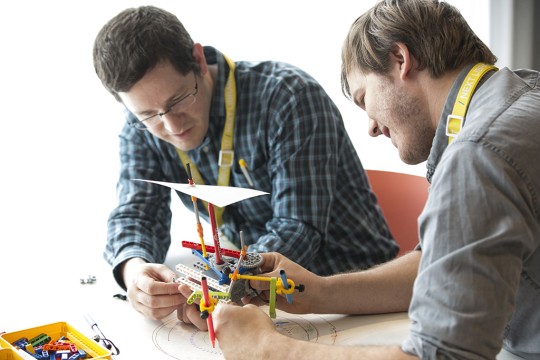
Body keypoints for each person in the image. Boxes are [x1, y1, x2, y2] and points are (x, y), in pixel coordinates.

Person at [211, 0, 540, 359]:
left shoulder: (478, 154)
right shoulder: (522, 96)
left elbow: (442, 356)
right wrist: (321, 292)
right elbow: (446, 263)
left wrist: (266, 348)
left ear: (400, 58)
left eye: (364, 98)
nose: (370, 127)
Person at [93, 6, 398, 321]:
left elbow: (297, 229)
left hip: (354, 296)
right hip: (260, 298)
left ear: (198, 60)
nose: (170, 126)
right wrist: (135, 271)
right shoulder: (140, 128)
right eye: (148, 115)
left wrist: (221, 290)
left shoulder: (286, 96)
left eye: (178, 100)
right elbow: (135, 214)